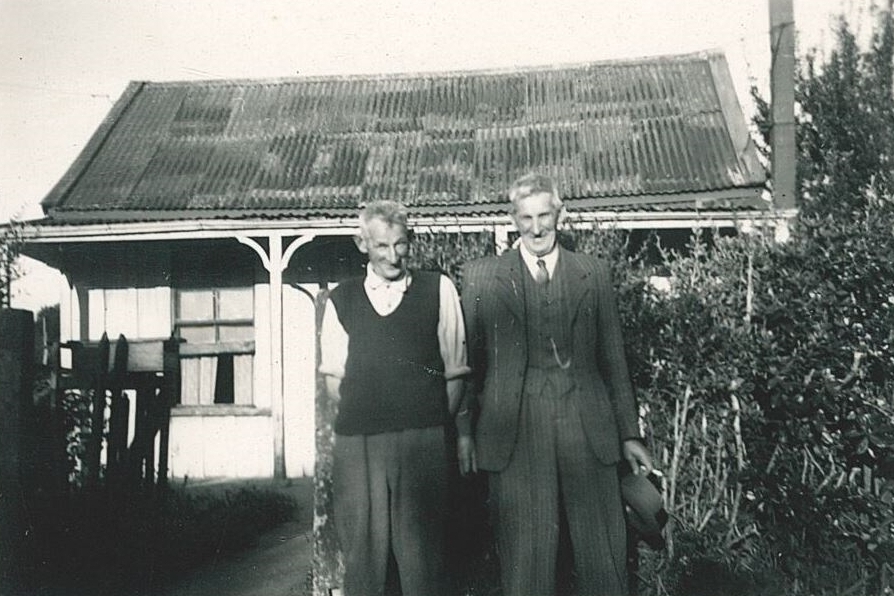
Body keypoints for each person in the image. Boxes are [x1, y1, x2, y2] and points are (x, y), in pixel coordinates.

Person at [457, 173, 653, 596]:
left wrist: (629, 434)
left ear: (559, 214)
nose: (537, 227)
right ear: (513, 220)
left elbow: (614, 361)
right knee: (526, 562)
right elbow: (471, 366)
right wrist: (465, 433)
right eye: (526, 218)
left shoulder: (593, 273)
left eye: (545, 215)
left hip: (587, 430)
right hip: (516, 434)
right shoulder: (482, 278)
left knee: (603, 557)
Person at [319, 200, 469, 596]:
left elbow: (455, 374)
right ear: (362, 244)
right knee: (364, 560)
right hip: (359, 445)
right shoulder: (341, 299)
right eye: (381, 246)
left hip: (422, 443)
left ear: (410, 243)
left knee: (424, 560)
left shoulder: (439, 289)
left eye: (400, 245)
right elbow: (335, 382)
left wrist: (427, 424)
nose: (392, 256)